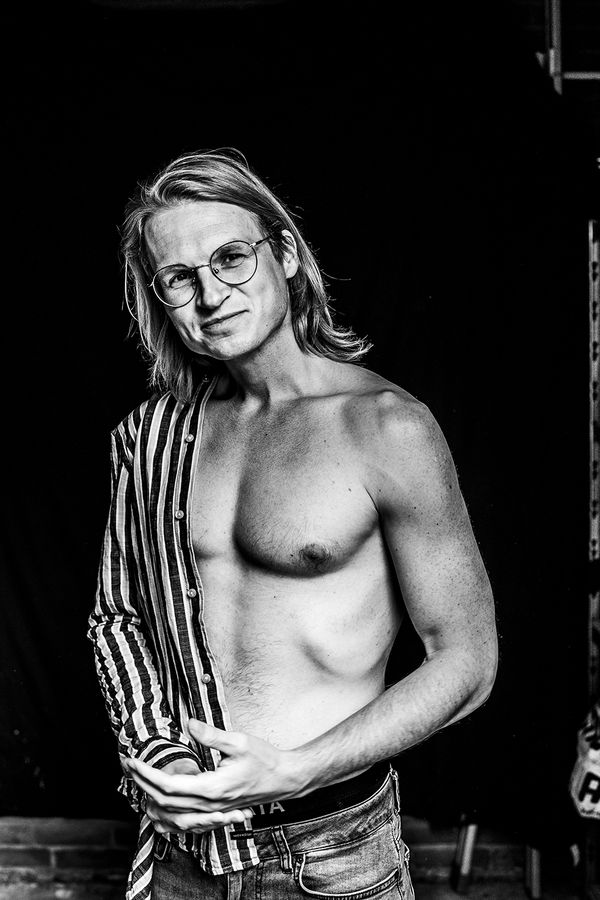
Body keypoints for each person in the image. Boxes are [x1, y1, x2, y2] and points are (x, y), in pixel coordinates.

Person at [88, 148, 498, 900]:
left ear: (283, 254)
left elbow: (467, 662)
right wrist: (158, 757)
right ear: (159, 298)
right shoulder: (150, 439)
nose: (211, 294)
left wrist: (295, 770)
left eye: (231, 258)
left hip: (330, 854)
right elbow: (119, 618)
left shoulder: (386, 428)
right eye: (179, 277)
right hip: (184, 852)